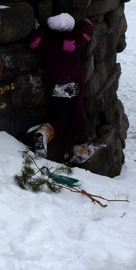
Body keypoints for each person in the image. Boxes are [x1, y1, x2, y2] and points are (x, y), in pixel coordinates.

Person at [28, 12, 96, 166]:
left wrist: (34, 29)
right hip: (73, 86)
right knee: (77, 116)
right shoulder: (78, 39)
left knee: (59, 117)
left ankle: (44, 133)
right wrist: (87, 22)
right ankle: (81, 149)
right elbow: (88, 33)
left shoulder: (50, 41)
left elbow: (34, 44)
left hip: (55, 86)